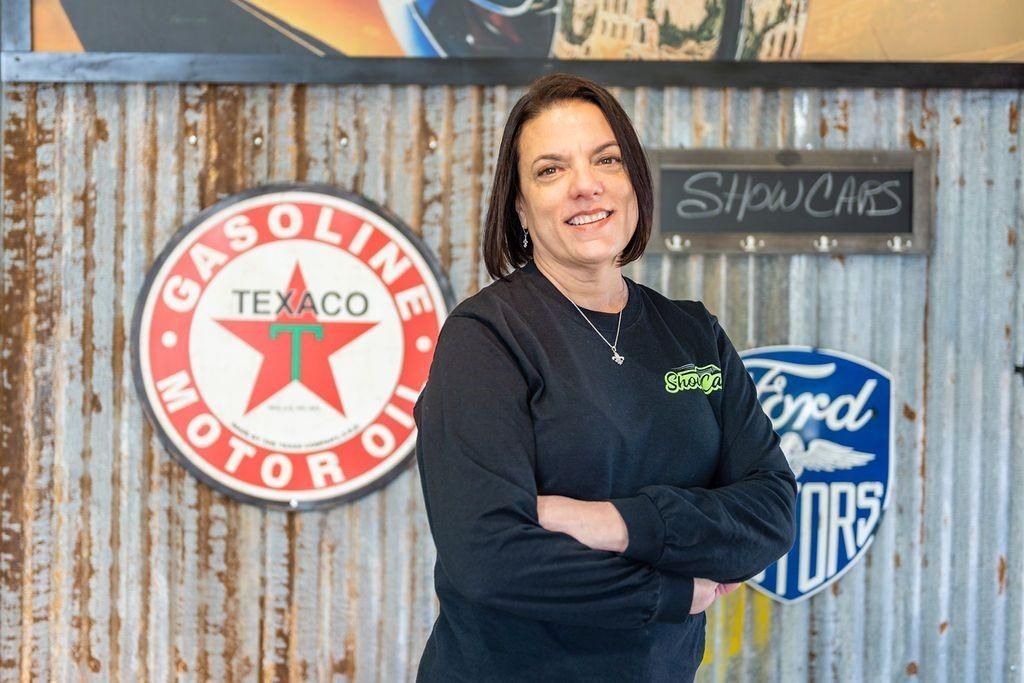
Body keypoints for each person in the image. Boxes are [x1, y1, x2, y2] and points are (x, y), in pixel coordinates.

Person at [413, 73, 797, 682]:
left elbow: (771, 513)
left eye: (606, 159)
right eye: (550, 170)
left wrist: (612, 522)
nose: (585, 186)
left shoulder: (693, 336)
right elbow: (488, 559)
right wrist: (671, 593)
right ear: (519, 205)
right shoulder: (487, 338)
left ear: (633, 180)